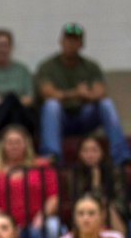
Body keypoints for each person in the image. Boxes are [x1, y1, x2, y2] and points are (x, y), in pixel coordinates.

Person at [36, 23, 130, 166]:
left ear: (81, 44)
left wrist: (86, 95)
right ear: (61, 42)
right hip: (60, 120)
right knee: (51, 105)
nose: (71, 44)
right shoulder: (47, 66)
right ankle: (51, 157)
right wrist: (76, 93)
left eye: (76, 41)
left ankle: (121, 157)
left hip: (84, 117)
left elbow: (100, 92)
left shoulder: (91, 66)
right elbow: (47, 93)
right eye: (69, 40)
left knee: (106, 103)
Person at [0, 124, 60, 238]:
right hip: (6, 222)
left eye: (17, 142)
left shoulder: (42, 166)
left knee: (52, 227)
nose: (14, 146)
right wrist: (6, 221)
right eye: (10, 142)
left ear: (26, 144)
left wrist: (42, 216)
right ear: (2, 146)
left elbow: (53, 197)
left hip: (36, 222)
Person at [70, 134, 128, 238]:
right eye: (85, 151)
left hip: (113, 213)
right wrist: (95, 184)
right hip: (84, 213)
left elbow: (121, 200)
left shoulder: (114, 171)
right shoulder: (75, 174)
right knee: (89, 211)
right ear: (79, 154)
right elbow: (76, 201)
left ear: (102, 152)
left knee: (107, 209)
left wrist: (105, 206)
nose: (90, 154)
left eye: (94, 150)